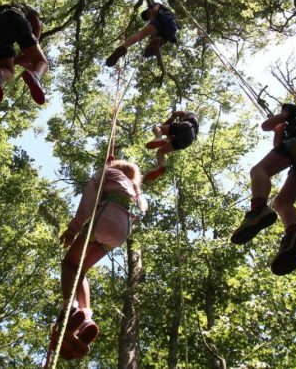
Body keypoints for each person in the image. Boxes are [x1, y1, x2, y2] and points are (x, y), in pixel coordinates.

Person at [48, 159, 148, 361]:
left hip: (105, 218)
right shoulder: (139, 195)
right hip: (121, 233)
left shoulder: (109, 173)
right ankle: (85, 318)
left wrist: (74, 227)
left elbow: (89, 200)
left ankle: (71, 308)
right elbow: (139, 213)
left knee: (68, 264)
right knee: (80, 270)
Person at [230, 103, 296, 275]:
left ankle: (258, 209)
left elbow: (266, 126)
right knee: (282, 202)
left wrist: (279, 124)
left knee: (259, 170)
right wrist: (281, 133)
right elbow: (281, 147)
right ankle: (293, 234)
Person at [0, 3, 48, 105]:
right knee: (41, 62)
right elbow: (37, 25)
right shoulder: (25, 6)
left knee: (8, 71)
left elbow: (24, 60)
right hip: (15, 19)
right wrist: (33, 45)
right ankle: (36, 76)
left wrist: (18, 59)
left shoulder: (0, 8)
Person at [104, 0, 179, 67]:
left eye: (148, 15)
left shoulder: (156, 6)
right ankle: (156, 43)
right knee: (161, 38)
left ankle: (123, 47)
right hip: (172, 28)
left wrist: (152, 17)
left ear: (148, 10)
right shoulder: (166, 12)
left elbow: (155, 10)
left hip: (163, 20)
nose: (149, 17)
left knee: (139, 35)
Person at [144, 110, 199, 181]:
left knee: (157, 128)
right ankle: (160, 167)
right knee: (160, 151)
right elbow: (170, 137)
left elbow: (177, 113)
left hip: (187, 128)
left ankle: (158, 139)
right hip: (188, 141)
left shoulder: (192, 113)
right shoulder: (195, 125)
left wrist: (172, 116)